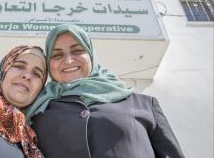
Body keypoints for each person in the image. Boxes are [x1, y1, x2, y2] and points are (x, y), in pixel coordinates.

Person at [26, 24, 185, 158]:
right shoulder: (36, 112)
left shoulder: (143, 104)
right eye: (57, 55)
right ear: (49, 64)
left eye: (77, 51)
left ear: (91, 55)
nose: (68, 60)